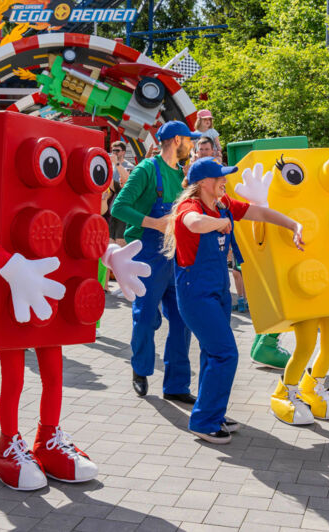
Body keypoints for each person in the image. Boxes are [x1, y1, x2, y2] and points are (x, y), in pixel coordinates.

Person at [162, 158, 303, 443]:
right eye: (220, 177)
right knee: (225, 353)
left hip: (218, 290)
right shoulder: (192, 208)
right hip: (195, 293)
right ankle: (203, 422)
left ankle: (210, 411)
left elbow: (260, 213)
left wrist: (293, 224)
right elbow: (193, 223)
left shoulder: (223, 203)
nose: (225, 181)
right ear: (204, 183)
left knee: (212, 354)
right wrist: (220, 223)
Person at [110, 121, 197, 401]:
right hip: (148, 255)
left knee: (183, 320)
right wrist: (152, 223)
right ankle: (140, 369)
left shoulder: (183, 175)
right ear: (175, 140)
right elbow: (118, 207)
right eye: (189, 139)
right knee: (146, 317)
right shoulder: (147, 169)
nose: (192, 144)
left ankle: (176, 386)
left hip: (178, 256)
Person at [107, 141, 132, 248]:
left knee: (120, 245)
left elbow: (127, 182)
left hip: (124, 209)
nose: (114, 153)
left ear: (124, 152)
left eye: (117, 150)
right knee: (110, 245)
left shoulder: (129, 166)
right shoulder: (110, 167)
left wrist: (117, 164)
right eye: (113, 150)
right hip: (112, 209)